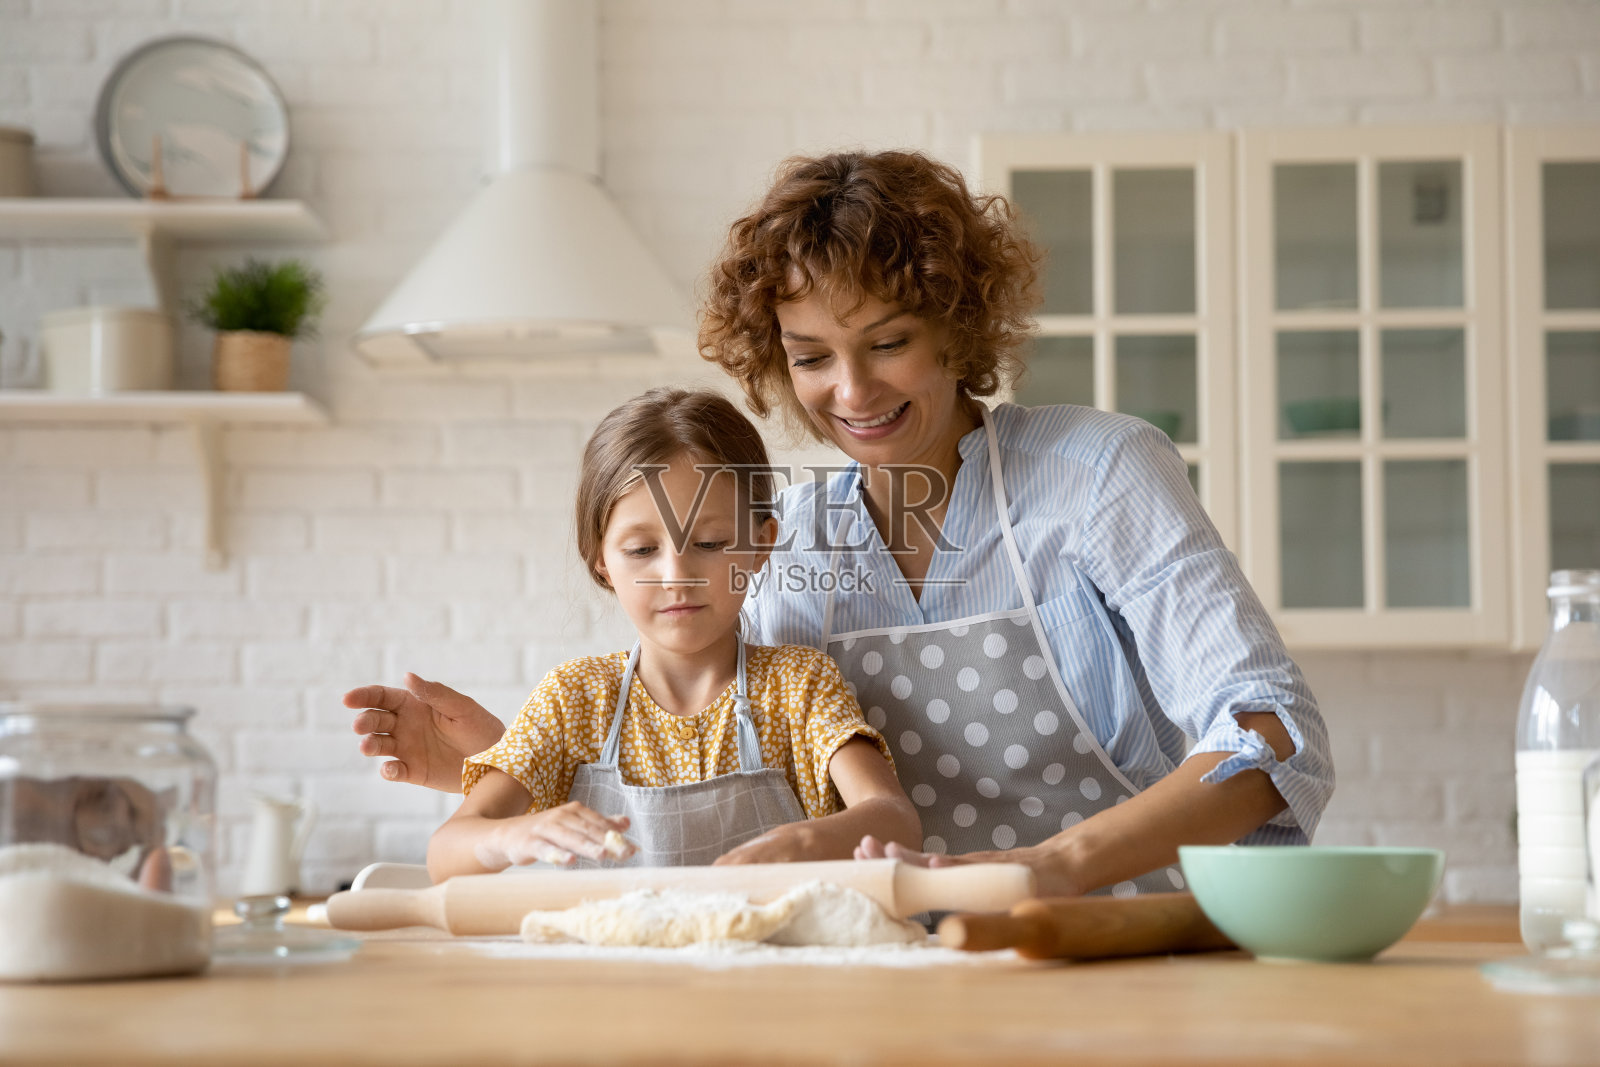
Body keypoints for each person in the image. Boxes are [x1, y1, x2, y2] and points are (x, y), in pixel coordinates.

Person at [350, 149, 1334, 897]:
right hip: (891, 965)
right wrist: (510, 762)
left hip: (1113, 941)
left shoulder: (1093, 474)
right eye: (812, 356)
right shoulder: (780, 536)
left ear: (956, 322)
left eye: (888, 341)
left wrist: (1050, 865)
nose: (852, 391)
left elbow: (1272, 731)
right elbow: (724, 754)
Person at [411, 387, 920, 881]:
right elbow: (445, 852)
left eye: (710, 542)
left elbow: (895, 818)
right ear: (601, 560)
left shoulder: (799, 685)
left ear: (761, 544)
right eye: (641, 550)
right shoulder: (573, 700)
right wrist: (512, 835)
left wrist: (806, 843)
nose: (677, 576)